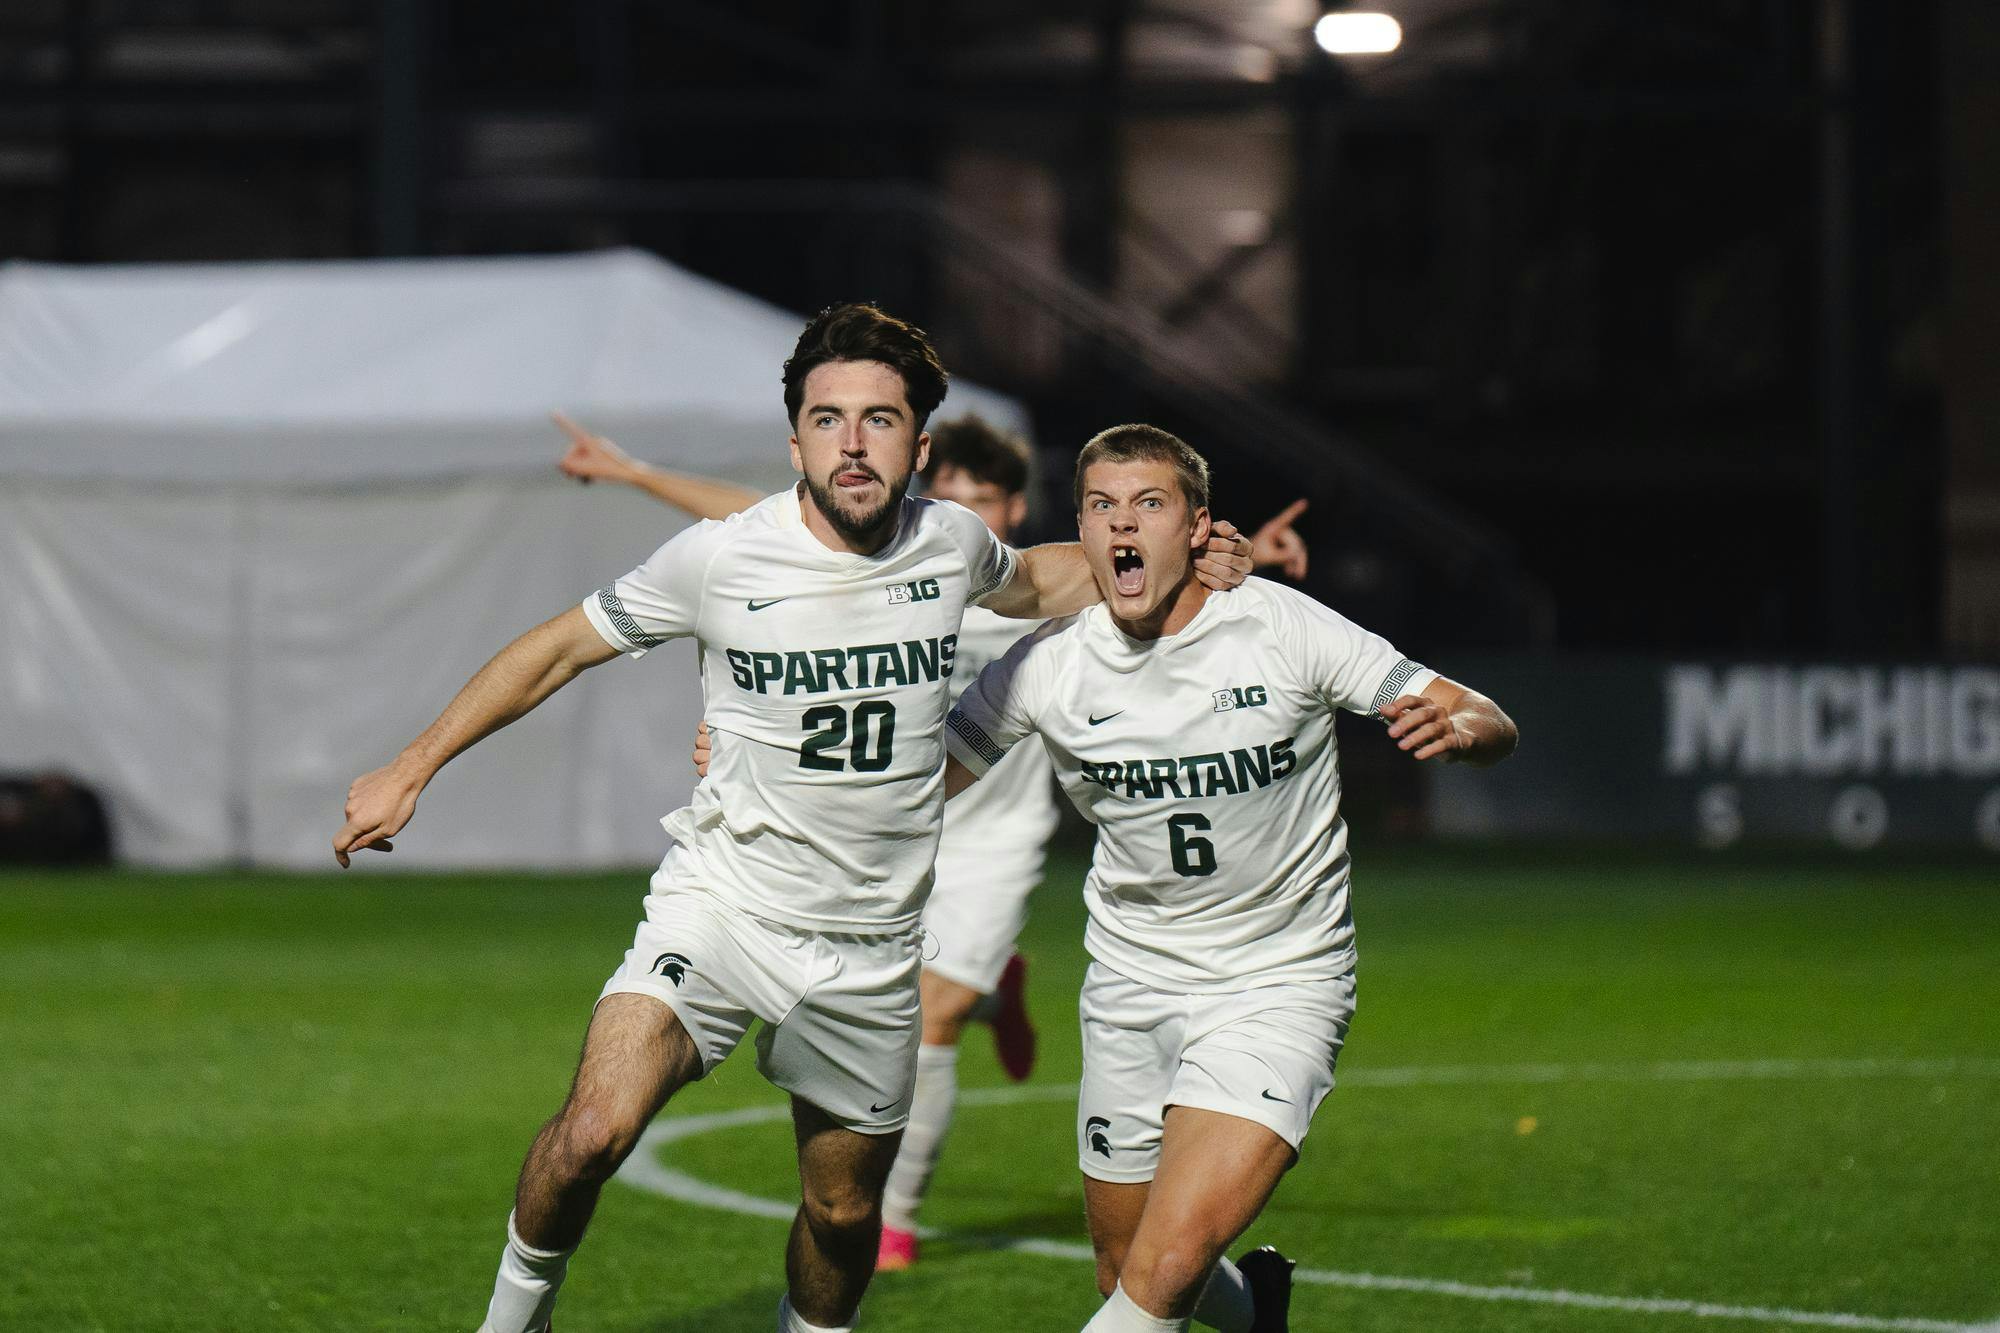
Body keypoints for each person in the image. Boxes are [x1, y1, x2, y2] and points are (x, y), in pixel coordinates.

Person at [330, 304, 1259, 1333]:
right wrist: (411, 766)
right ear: (794, 442)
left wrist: (1192, 555)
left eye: (877, 420)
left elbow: (1043, 574)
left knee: (841, 1206)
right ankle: (513, 1318)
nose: (851, 442)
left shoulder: (949, 544)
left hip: (868, 949)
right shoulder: (720, 558)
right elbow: (555, 648)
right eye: (827, 419)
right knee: (593, 1129)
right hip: (721, 909)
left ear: (914, 444)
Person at [556, 412, 1312, 1272]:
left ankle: (903, 1214)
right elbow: (754, 516)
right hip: (886, 825)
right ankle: (996, 993)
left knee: (935, 1015)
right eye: (949, 498)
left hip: (995, 836)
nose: (966, 514)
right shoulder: (914, 573)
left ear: (1016, 506)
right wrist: (633, 472)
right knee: (922, 1005)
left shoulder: (1064, 589)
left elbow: (1160, 561)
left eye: (983, 499)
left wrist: (1239, 563)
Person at [938, 424, 1518, 1332]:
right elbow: (913, 782)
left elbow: (1481, 713)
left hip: (1277, 982)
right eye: (1101, 506)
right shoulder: (1046, 665)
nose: (1122, 524)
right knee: (1123, 1267)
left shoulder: (1280, 628)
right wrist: (757, 760)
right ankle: (1259, 1317)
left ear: (1200, 528)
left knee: (1162, 1271)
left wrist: (1466, 731)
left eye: (1149, 504)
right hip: (1130, 983)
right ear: (1080, 534)